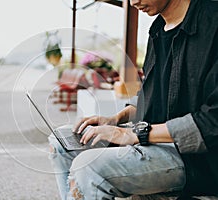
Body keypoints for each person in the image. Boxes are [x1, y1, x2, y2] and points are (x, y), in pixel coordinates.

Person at [48, 0, 218, 199]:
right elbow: (151, 96)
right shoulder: (157, 29)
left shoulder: (212, 22)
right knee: (61, 143)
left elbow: (212, 121)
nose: (133, 2)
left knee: (90, 169)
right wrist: (116, 119)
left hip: (195, 160)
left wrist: (137, 134)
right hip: (151, 140)